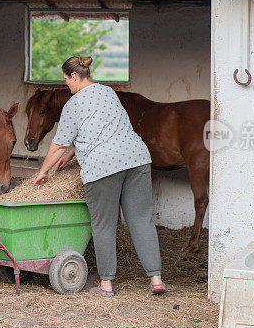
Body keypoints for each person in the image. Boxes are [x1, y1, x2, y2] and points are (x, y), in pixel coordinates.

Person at [33, 55, 165, 296]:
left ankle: (106, 284)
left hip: (103, 166)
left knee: (103, 225)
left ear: (74, 76)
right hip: (136, 158)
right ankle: (156, 280)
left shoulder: (73, 104)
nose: (67, 86)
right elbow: (103, 128)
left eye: (66, 80)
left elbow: (58, 144)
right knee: (141, 220)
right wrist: (73, 152)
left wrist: (43, 172)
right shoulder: (108, 93)